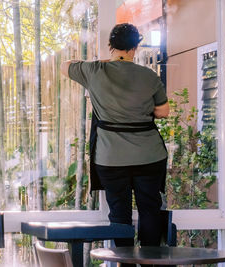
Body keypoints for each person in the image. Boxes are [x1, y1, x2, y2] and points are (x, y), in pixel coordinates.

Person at [60, 23, 169, 257]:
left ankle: (125, 261)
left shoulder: (94, 70)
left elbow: (64, 65)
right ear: (136, 46)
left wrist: (105, 63)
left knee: (119, 213)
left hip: (111, 157)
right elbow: (163, 112)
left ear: (110, 45)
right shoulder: (149, 76)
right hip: (149, 154)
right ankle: (150, 262)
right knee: (150, 209)